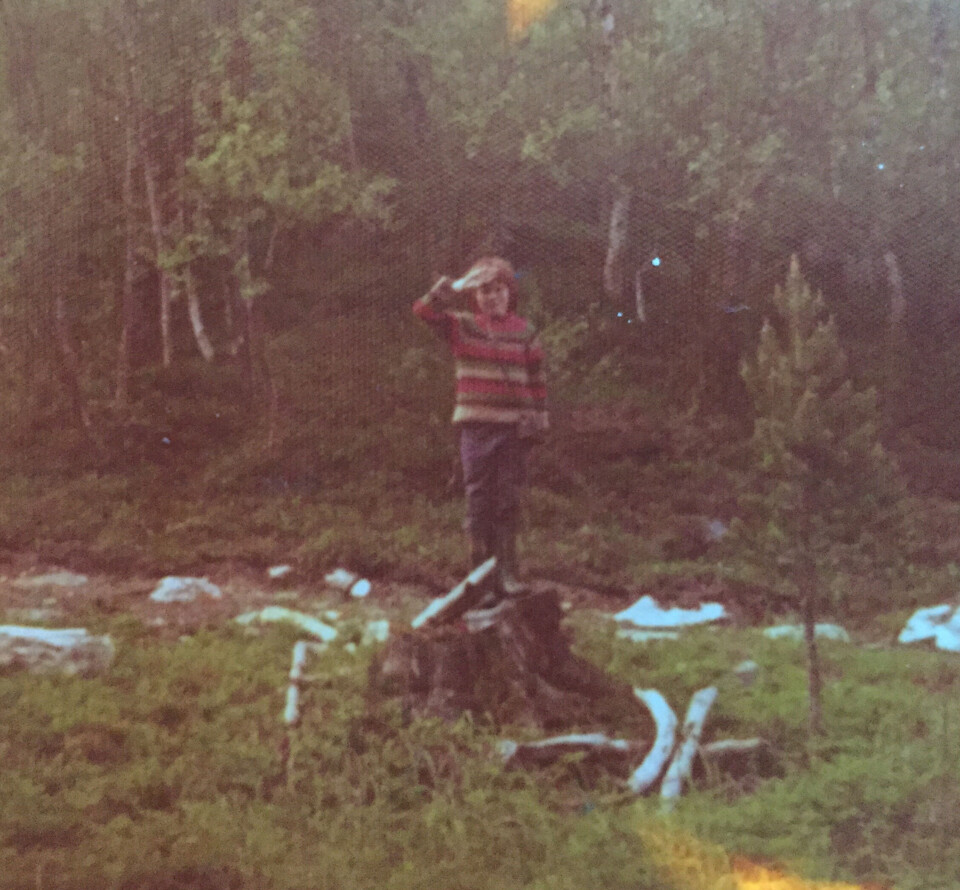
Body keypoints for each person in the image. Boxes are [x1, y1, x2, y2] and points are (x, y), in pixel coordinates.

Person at [412, 256, 548, 597]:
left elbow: (537, 380)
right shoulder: (462, 326)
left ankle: (507, 573)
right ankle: (479, 574)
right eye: (485, 290)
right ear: (475, 295)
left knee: (507, 500)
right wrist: (456, 285)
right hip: (475, 428)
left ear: (510, 292)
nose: (492, 297)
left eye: (499, 289)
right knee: (478, 498)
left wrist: (539, 420)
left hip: (514, 430)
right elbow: (423, 311)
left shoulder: (526, 331)